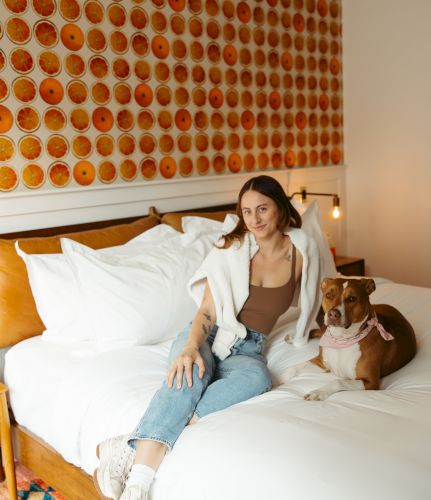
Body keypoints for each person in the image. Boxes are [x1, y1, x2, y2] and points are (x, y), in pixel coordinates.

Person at [93, 175, 324, 500]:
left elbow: (319, 291)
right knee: (190, 372)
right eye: (246, 212)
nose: (254, 219)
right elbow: (206, 313)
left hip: (248, 346)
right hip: (206, 334)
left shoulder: (303, 249)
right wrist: (190, 348)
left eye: (262, 209)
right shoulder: (231, 249)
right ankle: (139, 485)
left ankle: (128, 442)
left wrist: (324, 326)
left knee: (258, 377)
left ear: (281, 209)